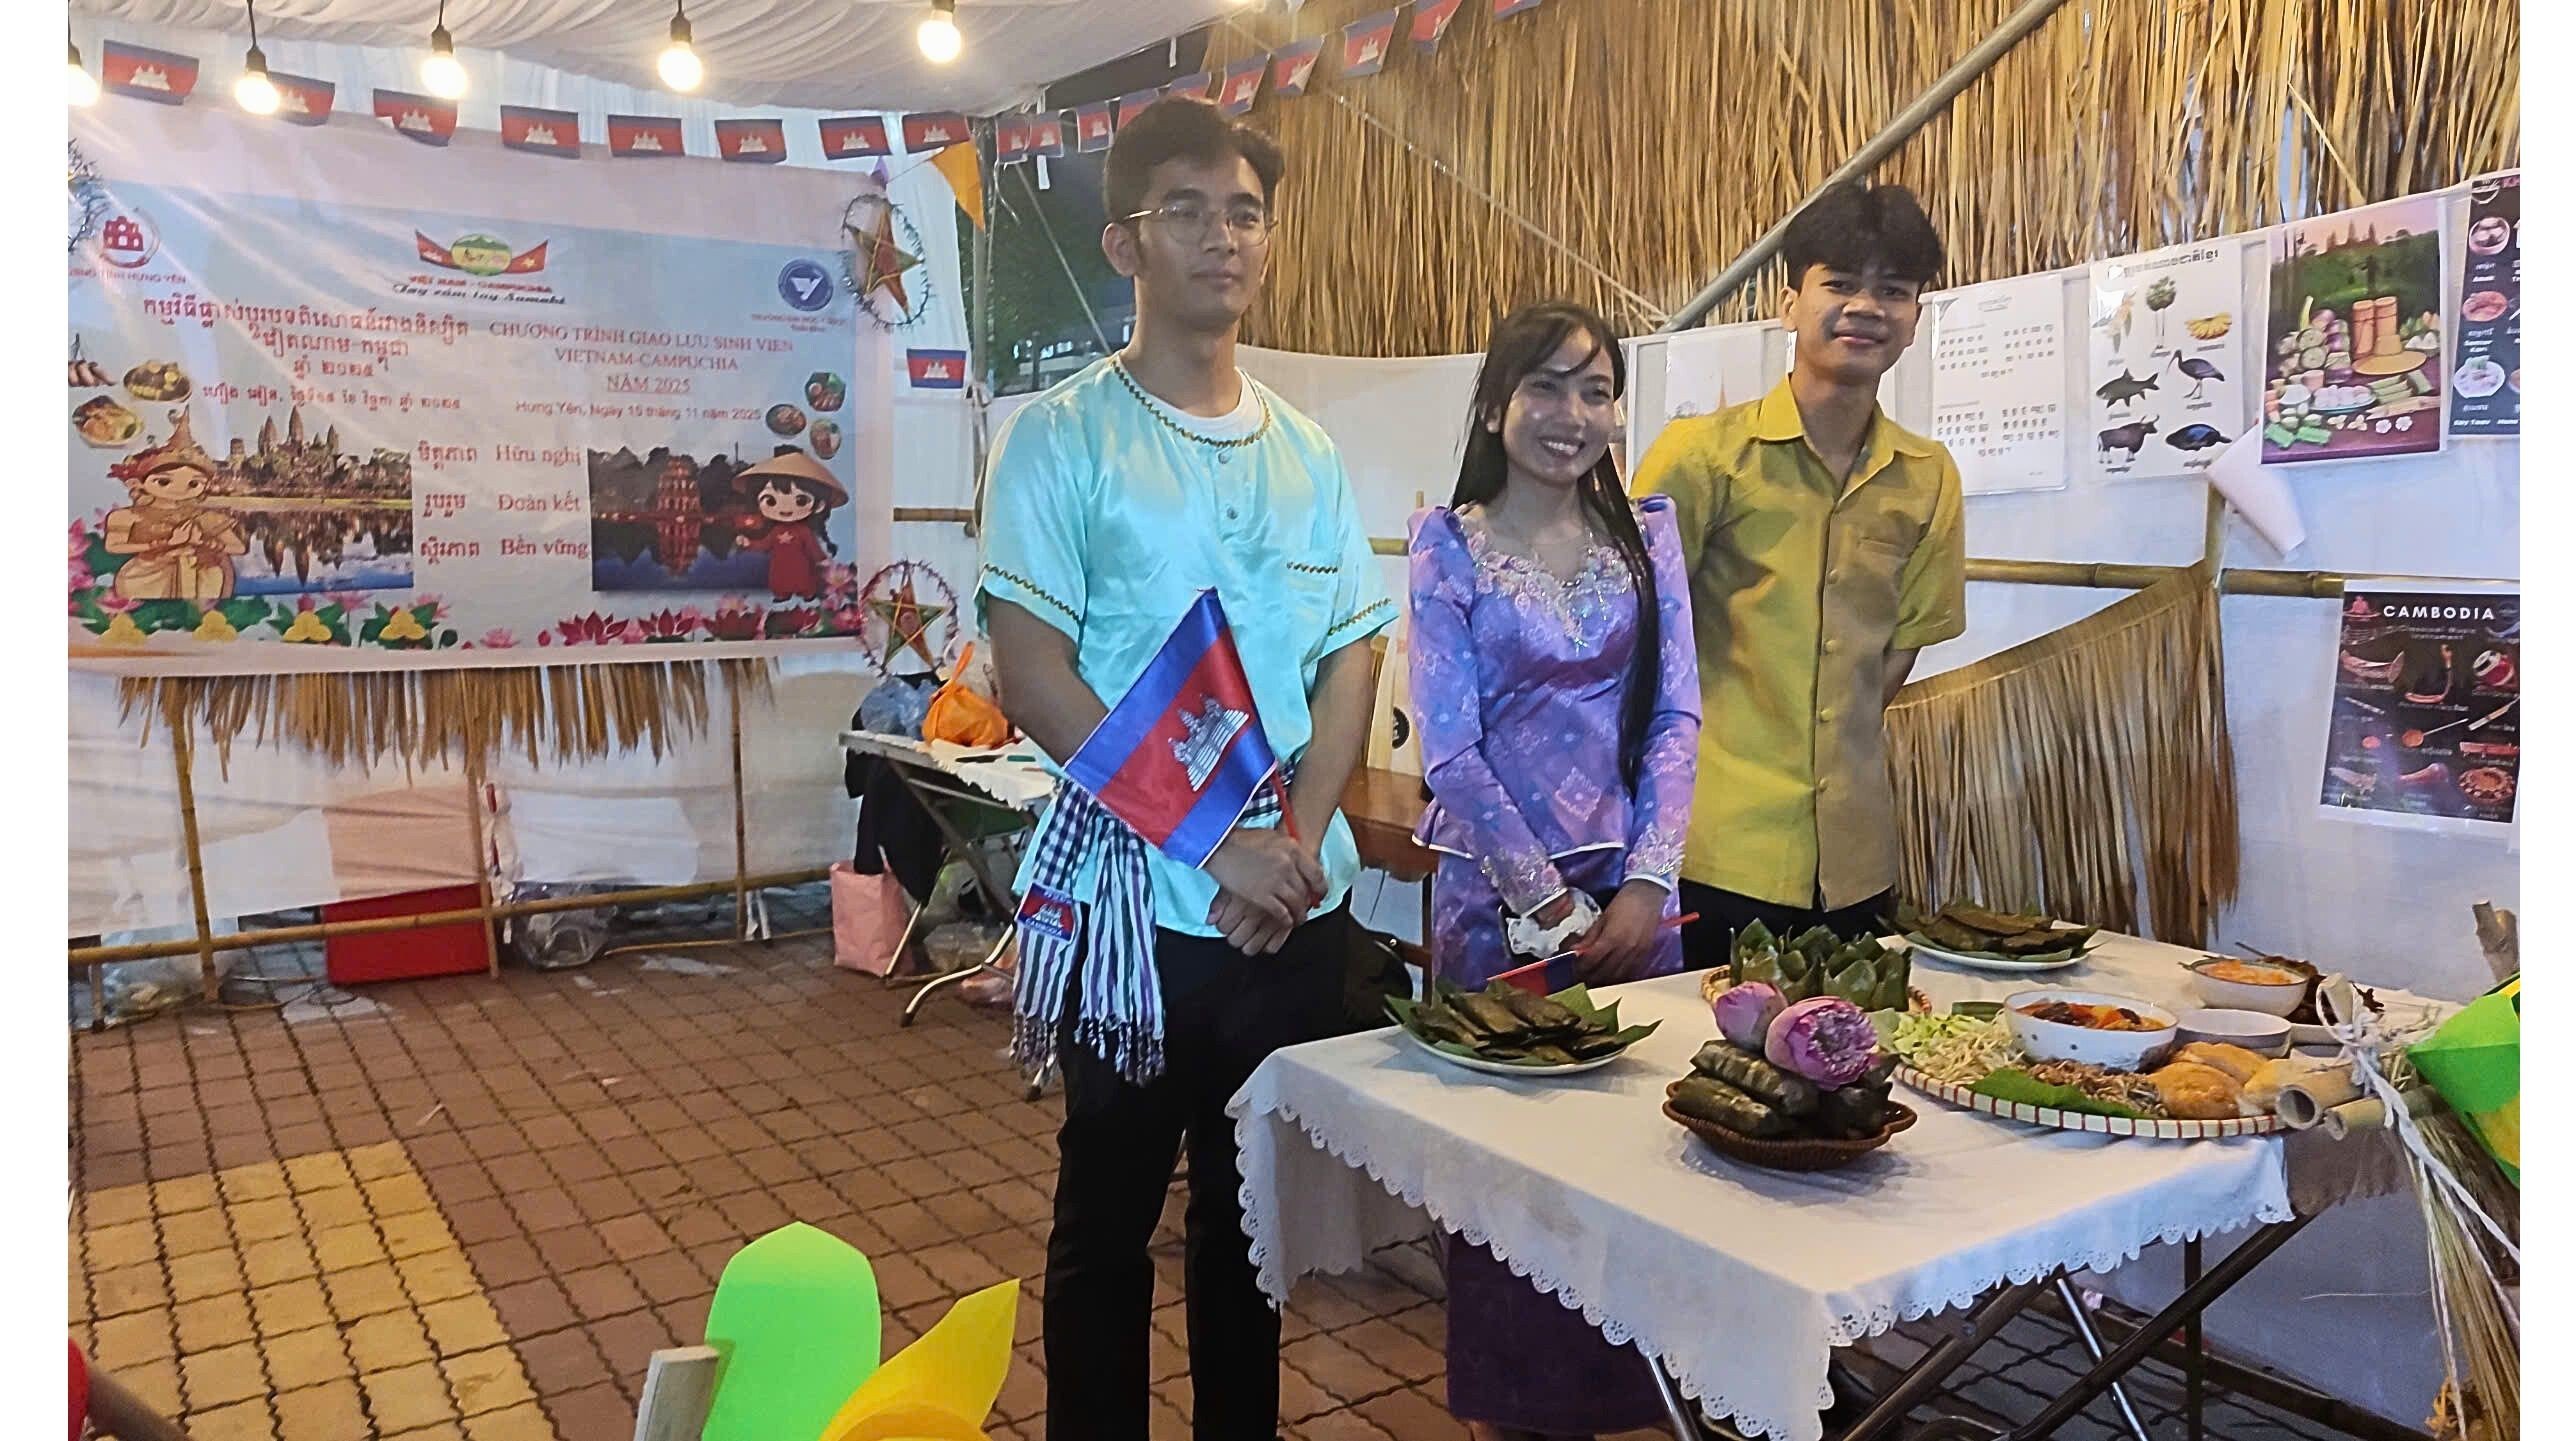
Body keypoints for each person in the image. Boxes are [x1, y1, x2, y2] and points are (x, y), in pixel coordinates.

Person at [974, 97, 1393, 1441]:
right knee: (1103, 1218)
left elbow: (1349, 659)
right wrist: (1220, 848)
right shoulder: (1060, 437)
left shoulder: (1309, 452)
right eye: (1188, 208)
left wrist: (1298, 846)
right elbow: (1035, 676)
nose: (1223, 234)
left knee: (1245, 1225)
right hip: (1133, 911)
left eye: (1245, 210)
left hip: (1284, 911)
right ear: (1123, 242)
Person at [1405, 301, 1699, 1440]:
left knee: (1630, 1156)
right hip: (1496, 904)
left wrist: (1645, 885)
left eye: (1595, 390)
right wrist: (1545, 900)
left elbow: (1676, 715)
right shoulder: (1446, 540)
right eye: (1546, 387)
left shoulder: (1650, 533)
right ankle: (1511, 1412)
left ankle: (1627, 1401)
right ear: (1495, 405)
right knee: (1507, 1174)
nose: (1572, 415)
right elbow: (1449, 748)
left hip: (1636, 903)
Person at [1632, 181, 1966, 970]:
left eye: (1893, 290)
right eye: (1841, 283)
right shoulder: (1702, 455)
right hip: (1712, 847)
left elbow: (1896, 652)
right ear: (1789, 302)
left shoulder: (1928, 475)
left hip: (1855, 864)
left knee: (1846, 1072)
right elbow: (1637, 637)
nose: (1866, 307)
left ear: (1916, 317)